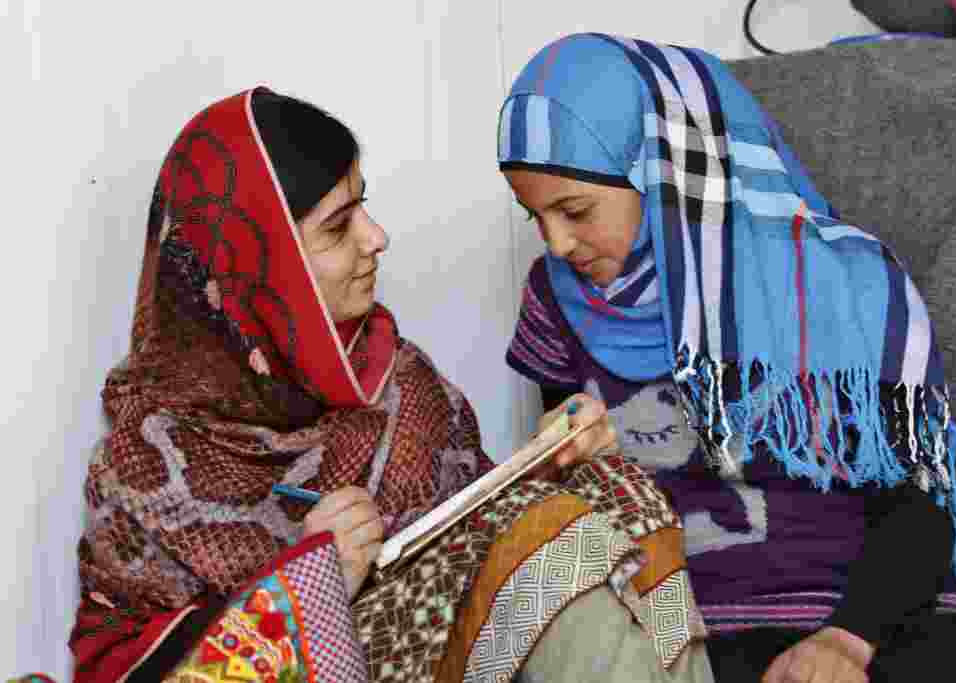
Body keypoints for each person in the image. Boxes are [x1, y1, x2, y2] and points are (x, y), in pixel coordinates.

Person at [66, 87, 713, 683]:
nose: (376, 239)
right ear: (253, 266)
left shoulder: (401, 383)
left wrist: (553, 460)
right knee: (546, 544)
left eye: (363, 208)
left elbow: (477, 545)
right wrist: (304, 588)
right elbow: (116, 668)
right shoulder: (145, 467)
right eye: (337, 227)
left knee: (608, 495)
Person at [498, 33, 956, 683]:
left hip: (874, 614)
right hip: (692, 625)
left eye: (574, 210)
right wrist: (566, 455)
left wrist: (846, 641)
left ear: (663, 172)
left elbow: (920, 507)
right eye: (534, 216)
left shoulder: (848, 285)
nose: (557, 243)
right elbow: (579, 508)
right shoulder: (557, 299)